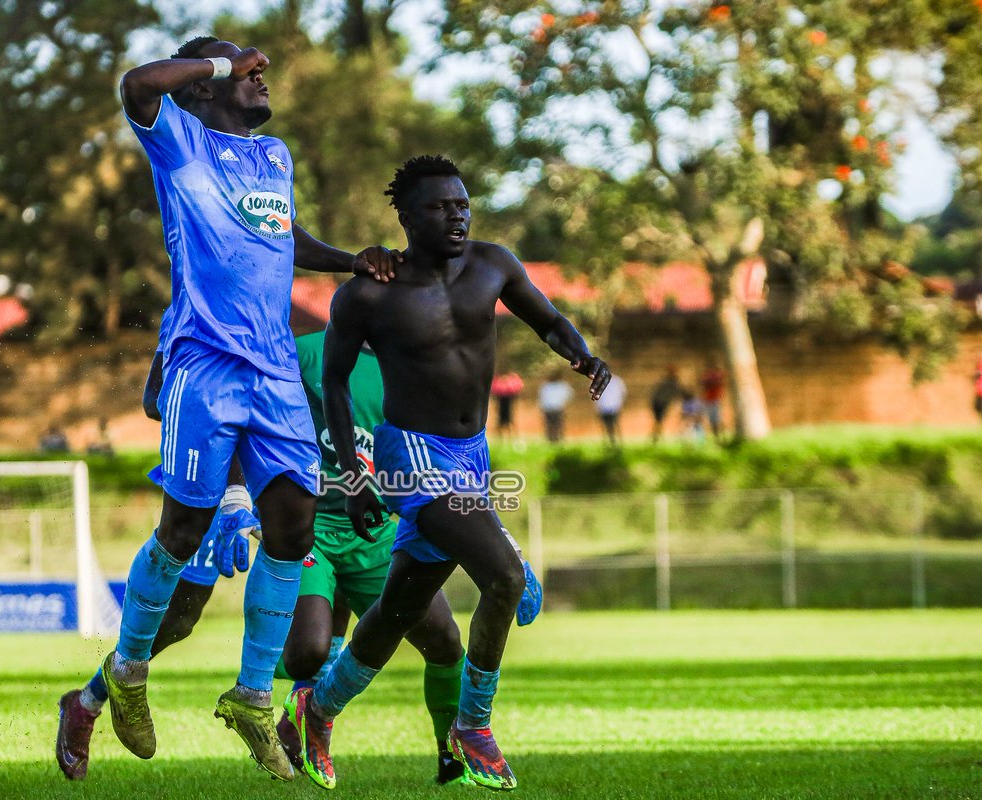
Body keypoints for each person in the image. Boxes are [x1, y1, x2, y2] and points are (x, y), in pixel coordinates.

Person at [59, 35, 398, 783]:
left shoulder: (274, 157)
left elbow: (282, 236)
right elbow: (137, 82)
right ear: (203, 88)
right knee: (180, 534)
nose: (259, 75)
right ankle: (122, 677)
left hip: (275, 369)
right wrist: (224, 59)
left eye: (255, 68)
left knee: (294, 526)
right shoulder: (181, 140)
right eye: (240, 72)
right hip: (205, 365)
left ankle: (250, 697)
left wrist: (351, 259)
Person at [57, 332, 516, 786]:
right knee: (191, 620)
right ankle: (93, 699)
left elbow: (452, 456)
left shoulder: (421, 368)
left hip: (368, 530)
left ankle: (442, 756)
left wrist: (492, 531)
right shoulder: (291, 344)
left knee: (436, 638)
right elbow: (194, 405)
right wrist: (237, 492)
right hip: (262, 505)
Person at [286, 155, 609, 792]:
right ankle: (474, 724)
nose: (456, 215)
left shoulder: (494, 264)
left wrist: (582, 354)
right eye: (439, 207)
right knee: (506, 578)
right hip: (412, 458)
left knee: (396, 610)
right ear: (406, 218)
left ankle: (316, 711)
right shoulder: (369, 292)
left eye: (462, 204)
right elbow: (335, 385)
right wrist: (354, 480)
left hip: (473, 454)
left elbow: (546, 320)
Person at [650, 366, 684, 443]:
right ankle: (655, 437)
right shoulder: (671, 381)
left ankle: (656, 437)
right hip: (660, 402)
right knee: (659, 420)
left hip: (659, 402)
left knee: (658, 420)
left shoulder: (667, 381)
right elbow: (677, 392)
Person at [537, 371, 573, 443]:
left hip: (557, 408)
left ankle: (558, 438)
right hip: (549, 409)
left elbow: (569, 395)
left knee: (558, 424)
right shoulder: (546, 386)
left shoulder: (561, 385)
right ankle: (551, 439)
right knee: (550, 424)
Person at [489, 372, 524, 438]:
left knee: (509, 421)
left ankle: (511, 436)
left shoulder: (508, 388)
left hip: (507, 407)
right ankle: (500, 436)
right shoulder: (501, 387)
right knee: (501, 422)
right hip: (502, 407)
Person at [595, 374, 626, 444]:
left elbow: (622, 393)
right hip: (606, 407)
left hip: (613, 407)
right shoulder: (616, 380)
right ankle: (610, 441)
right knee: (607, 426)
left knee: (613, 425)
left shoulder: (616, 380)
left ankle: (615, 441)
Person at [699, 360, 725, 441]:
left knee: (717, 419)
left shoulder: (717, 375)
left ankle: (721, 437)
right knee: (712, 420)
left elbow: (717, 381)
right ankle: (716, 437)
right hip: (708, 400)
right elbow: (702, 383)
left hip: (716, 400)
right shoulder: (706, 376)